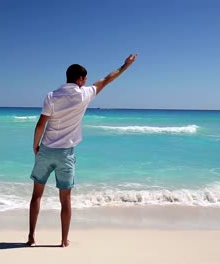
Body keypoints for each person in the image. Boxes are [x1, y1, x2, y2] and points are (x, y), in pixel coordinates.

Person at [27, 54, 138, 247]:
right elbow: (107, 79)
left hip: (46, 150)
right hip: (66, 154)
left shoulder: (51, 96)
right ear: (79, 79)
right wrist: (125, 65)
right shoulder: (84, 94)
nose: (85, 82)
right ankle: (63, 241)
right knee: (65, 199)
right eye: (84, 79)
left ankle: (31, 237)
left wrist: (35, 146)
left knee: (37, 195)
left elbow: (40, 125)